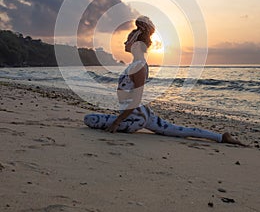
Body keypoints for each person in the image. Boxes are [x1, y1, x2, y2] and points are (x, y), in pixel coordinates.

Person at [84, 16, 245, 146]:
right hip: (140, 113)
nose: (125, 42)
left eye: (128, 39)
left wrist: (117, 122)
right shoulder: (135, 64)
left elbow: (137, 99)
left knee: (89, 119)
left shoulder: (139, 66)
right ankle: (220, 137)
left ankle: (220, 137)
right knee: (179, 130)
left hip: (136, 117)